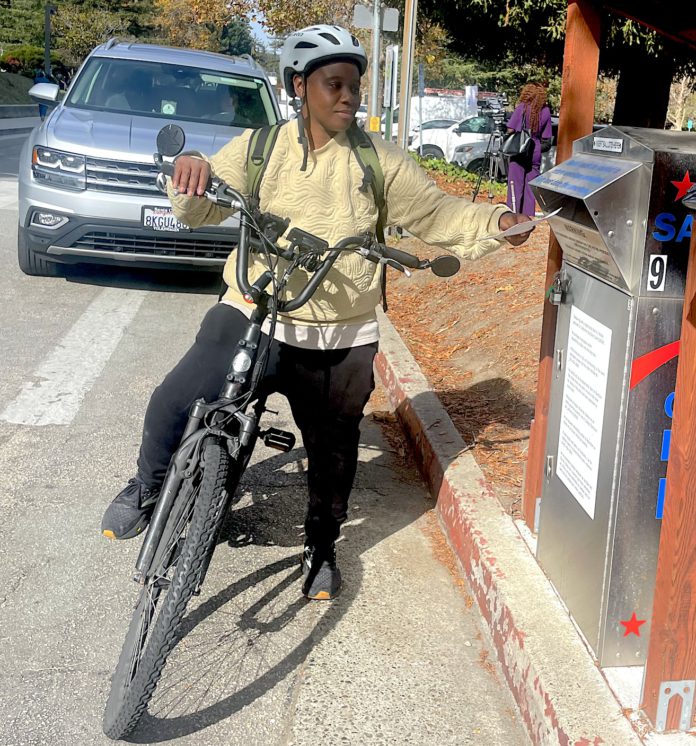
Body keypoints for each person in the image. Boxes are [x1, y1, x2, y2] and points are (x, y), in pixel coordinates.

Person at [101, 24, 534, 601]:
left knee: (333, 452)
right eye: (334, 84)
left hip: (340, 333)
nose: (348, 96)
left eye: (354, 86)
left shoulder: (379, 162)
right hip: (255, 310)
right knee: (176, 397)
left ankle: (321, 547)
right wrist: (193, 171)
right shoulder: (261, 149)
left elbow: (436, 213)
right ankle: (147, 485)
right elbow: (201, 204)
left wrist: (495, 222)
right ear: (299, 87)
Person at [505, 83, 552, 215]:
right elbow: (547, 139)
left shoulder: (522, 108)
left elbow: (510, 129)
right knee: (530, 192)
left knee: (515, 188)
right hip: (535, 151)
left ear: (527, 93)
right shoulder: (545, 111)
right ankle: (527, 220)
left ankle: (513, 219)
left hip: (519, 151)